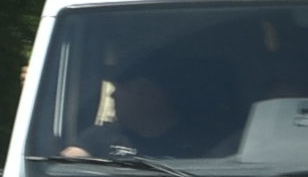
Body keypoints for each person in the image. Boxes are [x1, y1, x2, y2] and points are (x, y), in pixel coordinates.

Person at [62, 60, 220, 159]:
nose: (112, 94)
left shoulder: (205, 142)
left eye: (121, 87)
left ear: (153, 96)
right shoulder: (103, 136)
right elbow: (69, 162)